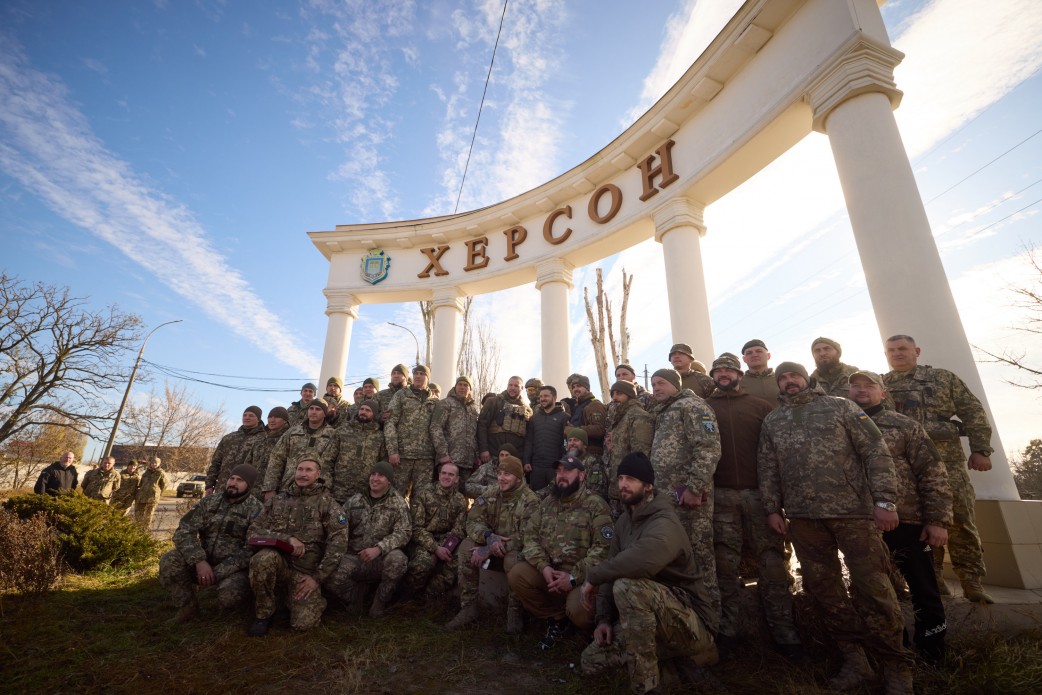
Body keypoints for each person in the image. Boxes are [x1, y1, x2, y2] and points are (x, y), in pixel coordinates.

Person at [758, 362, 913, 693]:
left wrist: (885, 501)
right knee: (825, 591)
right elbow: (767, 468)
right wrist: (773, 509)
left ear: (807, 377)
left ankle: (895, 666)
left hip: (853, 515)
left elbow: (876, 452)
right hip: (803, 519)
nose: (789, 381)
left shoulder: (842, 407)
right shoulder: (773, 420)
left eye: (794, 375)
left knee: (875, 589)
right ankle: (855, 661)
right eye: (782, 378)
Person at [580, 453, 718, 695]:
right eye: (621, 477)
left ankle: (648, 687)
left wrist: (592, 576)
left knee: (627, 587)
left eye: (631, 479)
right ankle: (676, 666)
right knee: (592, 662)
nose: (623, 484)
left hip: (691, 622)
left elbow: (641, 561)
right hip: (647, 619)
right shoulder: (624, 521)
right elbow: (612, 564)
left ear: (648, 485)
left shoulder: (665, 520)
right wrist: (603, 620)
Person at [848, 370, 953, 663]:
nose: (861, 390)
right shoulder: (841, 425)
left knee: (923, 589)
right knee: (872, 592)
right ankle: (895, 651)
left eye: (869, 385)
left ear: (883, 393)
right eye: (855, 386)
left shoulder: (904, 425)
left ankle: (933, 653)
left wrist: (938, 520)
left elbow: (932, 472)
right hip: (859, 524)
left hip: (907, 522)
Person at [882, 334, 995, 603]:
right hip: (905, 470)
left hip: (948, 464)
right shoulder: (881, 384)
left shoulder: (942, 379)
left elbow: (973, 411)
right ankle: (933, 580)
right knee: (917, 526)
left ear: (916, 351)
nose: (897, 354)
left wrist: (981, 449)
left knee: (960, 521)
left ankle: (972, 582)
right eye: (891, 350)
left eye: (903, 349)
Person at [704, 354, 803, 661]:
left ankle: (786, 636)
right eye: (718, 371)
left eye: (728, 370)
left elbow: (777, 453)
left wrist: (777, 500)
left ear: (739, 374)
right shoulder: (704, 408)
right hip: (721, 498)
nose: (723, 374)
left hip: (761, 497)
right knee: (724, 567)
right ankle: (728, 633)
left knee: (773, 565)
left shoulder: (762, 408)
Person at [509, 454, 613, 650]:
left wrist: (573, 577)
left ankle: (585, 631)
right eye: (559, 471)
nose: (561, 475)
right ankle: (557, 619)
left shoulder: (596, 505)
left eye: (567, 471)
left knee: (579, 611)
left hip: (580, 579)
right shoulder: (548, 503)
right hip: (550, 573)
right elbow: (530, 536)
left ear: (581, 476)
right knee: (518, 574)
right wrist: (544, 567)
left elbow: (603, 550)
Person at [649, 367, 721, 624]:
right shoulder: (664, 412)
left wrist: (694, 488)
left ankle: (711, 624)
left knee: (699, 560)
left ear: (674, 384)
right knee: (678, 559)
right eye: (653, 384)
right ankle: (686, 625)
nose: (656, 387)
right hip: (668, 501)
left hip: (690, 500)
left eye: (661, 383)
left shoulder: (691, 406)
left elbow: (708, 448)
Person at [247, 454, 347, 636]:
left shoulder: (328, 505)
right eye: (300, 469)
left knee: (303, 625)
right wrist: (286, 538)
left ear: (318, 474)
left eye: (309, 470)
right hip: (277, 565)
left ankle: (306, 600)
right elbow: (253, 532)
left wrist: (317, 578)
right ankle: (264, 614)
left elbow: (338, 544)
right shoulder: (277, 501)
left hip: (305, 574)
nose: (303, 474)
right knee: (263, 559)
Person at [159, 463, 264, 623]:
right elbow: (184, 531)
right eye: (231, 478)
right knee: (169, 560)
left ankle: (234, 611)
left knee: (229, 595)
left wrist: (218, 572)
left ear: (249, 485)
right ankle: (187, 607)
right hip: (202, 561)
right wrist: (199, 561)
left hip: (233, 569)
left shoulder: (256, 509)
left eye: (240, 480)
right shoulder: (209, 502)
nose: (233, 483)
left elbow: (251, 549)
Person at [445, 454, 538, 631]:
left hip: (512, 552)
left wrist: (492, 548)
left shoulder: (530, 501)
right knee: (466, 547)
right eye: (500, 473)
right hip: (491, 547)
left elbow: (528, 536)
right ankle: (468, 608)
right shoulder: (491, 493)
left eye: (507, 474)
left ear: (518, 478)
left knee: (514, 560)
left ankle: (515, 613)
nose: (502, 478)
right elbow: (472, 520)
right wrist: (487, 536)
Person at [325, 461, 412, 617]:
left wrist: (379, 548)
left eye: (381, 476)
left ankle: (379, 602)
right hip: (355, 557)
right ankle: (357, 597)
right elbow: (339, 527)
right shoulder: (355, 501)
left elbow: (404, 532)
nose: (375, 478)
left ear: (389, 481)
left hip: (380, 559)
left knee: (398, 560)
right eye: (373, 474)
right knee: (329, 572)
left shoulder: (398, 503)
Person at [403, 461, 468, 600]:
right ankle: (406, 597)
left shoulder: (460, 500)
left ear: (456, 479)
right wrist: (434, 548)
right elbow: (415, 528)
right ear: (439, 475)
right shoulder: (424, 494)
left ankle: (428, 597)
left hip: (446, 542)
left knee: (458, 561)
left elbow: (459, 529)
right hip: (422, 541)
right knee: (423, 564)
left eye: (451, 474)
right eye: (444, 473)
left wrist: (443, 548)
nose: (446, 477)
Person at [262, 398, 336, 499]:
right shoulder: (293, 432)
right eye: (311, 408)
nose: (313, 412)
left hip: (316, 494)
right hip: (287, 489)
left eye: (318, 409)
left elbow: (331, 464)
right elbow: (277, 458)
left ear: (324, 413)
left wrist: (327, 488)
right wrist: (270, 488)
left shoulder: (332, 435)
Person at [384, 365, 437, 498]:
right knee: (396, 496)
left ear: (428, 377)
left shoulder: (434, 401)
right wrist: (393, 451)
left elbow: (438, 428)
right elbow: (390, 422)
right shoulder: (401, 395)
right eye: (416, 374)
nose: (418, 376)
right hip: (402, 456)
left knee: (421, 499)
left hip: (425, 458)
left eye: (422, 374)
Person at [322, 398, 386, 504]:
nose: (363, 412)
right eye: (362, 409)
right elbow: (327, 460)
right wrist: (326, 487)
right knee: (338, 520)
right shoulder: (342, 431)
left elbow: (382, 465)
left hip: (364, 497)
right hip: (337, 494)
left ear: (374, 414)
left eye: (368, 410)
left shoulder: (379, 437)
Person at [603, 381, 653, 514]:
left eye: (619, 393)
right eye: (613, 394)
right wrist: (611, 448)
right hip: (619, 488)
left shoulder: (639, 416)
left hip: (632, 490)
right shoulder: (621, 417)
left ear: (630, 395)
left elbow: (640, 456)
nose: (614, 398)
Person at [430, 375, 480, 489]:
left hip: (467, 463)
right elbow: (436, 427)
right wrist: (443, 454)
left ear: (470, 389)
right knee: (445, 494)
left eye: (466, 385)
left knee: (462, 498)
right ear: (455, 386)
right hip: (449, 460)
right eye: (460, 384)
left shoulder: (472, 409)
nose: (462, 387)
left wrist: (476, 456)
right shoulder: (446, 403)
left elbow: (474, 434)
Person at [205, 406, 266, 495]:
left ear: (259, 419)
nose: (247, 418)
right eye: (244, 415)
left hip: (247, 491)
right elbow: (216, 463)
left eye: (251, 415)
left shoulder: (264, 439)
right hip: (223, 488)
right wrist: (209, 485)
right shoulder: (229, 438)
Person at [476, 376, 532, 464]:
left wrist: (525, 460)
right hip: (493, 454)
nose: (512, 388)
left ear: (521, 389)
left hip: (516, 457)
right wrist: (484, 449)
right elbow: (482, 425)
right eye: (510, 385)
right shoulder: (493, 402)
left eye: (516, 386)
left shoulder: (527, 409)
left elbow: (528, 436)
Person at [523, 385, 569, 491]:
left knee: (555, 499)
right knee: (536, 499)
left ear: (554, 397)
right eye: (541, 396)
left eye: (546, 396)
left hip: (555, 467)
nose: (542, 399)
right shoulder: (534, 418)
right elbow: (529, 441)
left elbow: (566, 443)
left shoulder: (564, 417)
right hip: (536, 468)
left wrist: (563, 463)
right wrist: (526, 461)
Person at [244, 407, 290, 501]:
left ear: (285, 421)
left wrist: (273, 489)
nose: (272, 420)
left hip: (277, 493)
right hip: (252, 493)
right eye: (270, 417)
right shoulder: (260, 442)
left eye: (277, 417)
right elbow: (247, 466)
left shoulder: (290, 440)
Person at [566, 375, 608, 458]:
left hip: (592, 455)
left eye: (579, 386)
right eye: (573, 387)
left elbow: (599, 429)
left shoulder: (594, 404)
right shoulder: (577, 406)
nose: (575, 389)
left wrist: (573, 430)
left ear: (587, 387)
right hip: (579, 454)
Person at [740, 339, 779, 406]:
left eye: (759, 351)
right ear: (744, 359)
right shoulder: (738, 383)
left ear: (768, 356)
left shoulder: (781, 379)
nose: (754, 355)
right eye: (749, 353)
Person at [135, 456, 168, 529]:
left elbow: (164, 485)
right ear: (150, 463)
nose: (154, 464)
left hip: (152, 497)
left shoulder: (161, 473)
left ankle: (145, 530)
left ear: (159, 464)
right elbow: (141, 483)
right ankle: (138, 528)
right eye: (152, 462)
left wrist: (157, 493)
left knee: (148, 515)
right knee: (138, 513)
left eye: (156, 463)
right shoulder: (146, 473)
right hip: (142, 496)